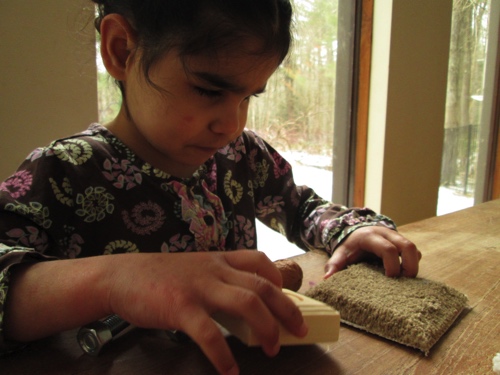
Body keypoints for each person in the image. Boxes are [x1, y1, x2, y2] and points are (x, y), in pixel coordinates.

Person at [0, 1, 421, 374]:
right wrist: (115, 280)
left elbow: (301, 209)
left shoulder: (242, 156)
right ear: (121, 50)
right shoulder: (62, 173)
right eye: (207, 89)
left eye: (248, 97)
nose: (232, 124)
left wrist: (349, 228)